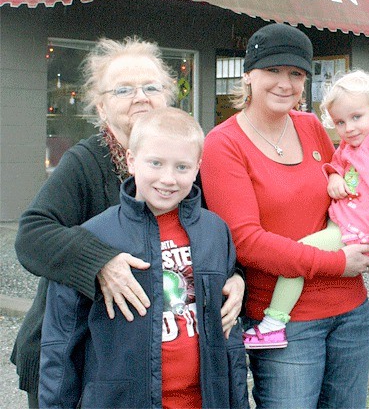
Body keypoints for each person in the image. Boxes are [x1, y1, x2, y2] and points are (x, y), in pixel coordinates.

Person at [11, 37, 244, 407]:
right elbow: (32, 236)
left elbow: (213, 236)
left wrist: (233, 279)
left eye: (151, 87)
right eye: (124, 89)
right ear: (102, 107)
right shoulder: (85, 161)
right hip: (76, 355)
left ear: (167, 96)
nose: (140, 97)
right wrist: (100, 261)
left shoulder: (181, 163)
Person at [201, 23, 369, 409]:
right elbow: (245, 242)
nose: (285, 83)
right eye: (273, 71)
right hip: (286, 323)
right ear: (248, 75)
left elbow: (357, 182)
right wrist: (336, 262)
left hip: (350, 312)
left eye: (295, 74)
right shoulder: (224, 144)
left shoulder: (311, 126)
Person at [242, 69, 369, 349]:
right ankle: (275, 323)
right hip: (344, 223)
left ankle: (274, 323)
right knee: (300, 256)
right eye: (340, 122)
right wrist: (334, 176)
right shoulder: (349, 145)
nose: (349, 127)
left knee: (298, 257)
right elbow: (335, 164)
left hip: (361, 230)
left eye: (357, 117)